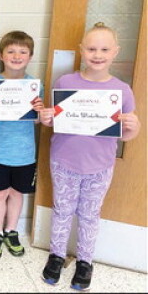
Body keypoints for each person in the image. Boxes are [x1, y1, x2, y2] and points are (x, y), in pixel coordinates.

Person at [39, 23, 140, 291]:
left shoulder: (122, 91)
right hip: (63, 161)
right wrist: (46, 118)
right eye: (92, 48)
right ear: (82, 50)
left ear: (115, 52)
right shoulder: (66, 82)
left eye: (105, 49)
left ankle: (85, 261)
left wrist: (135, 128)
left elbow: (126, 135)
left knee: (89, 214)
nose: (98, 54)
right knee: (62, 210)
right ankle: (56, 255)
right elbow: (55, 121)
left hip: (100, 166)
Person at [0, 31, 45, 260]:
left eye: (23, 52)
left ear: (30, 56)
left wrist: (39, 109)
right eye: (11, 51)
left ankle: (11, 230)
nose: (17, 56)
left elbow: (38, 121)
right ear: (1, 55)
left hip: (25, 153)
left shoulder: (34, 85)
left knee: (17, 194)